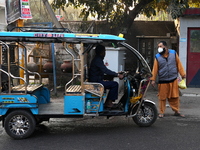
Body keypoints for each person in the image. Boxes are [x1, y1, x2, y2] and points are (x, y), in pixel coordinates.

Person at [151, 41, 186, 118]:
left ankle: (176, 111)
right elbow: (155, 69)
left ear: (165, 47)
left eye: (160, 46)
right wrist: (153, 79)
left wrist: (183, 74)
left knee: (175, 96)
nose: (159, 48)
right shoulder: (157, 57)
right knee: (162, 97)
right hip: (163, 80)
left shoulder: (173, 53)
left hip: (173, 79)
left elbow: (179, 64)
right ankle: (161, 112)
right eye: (158, 46)